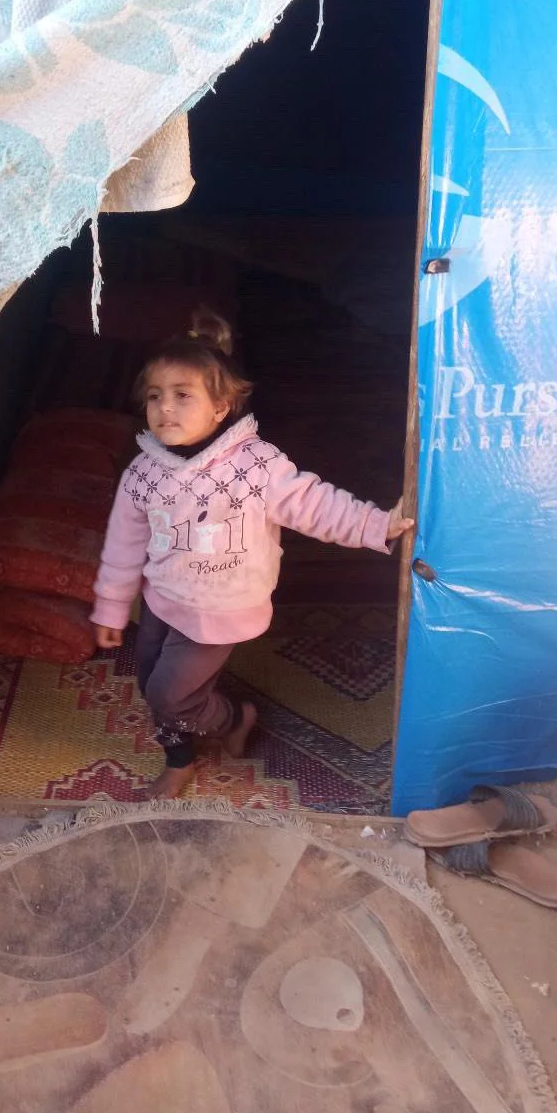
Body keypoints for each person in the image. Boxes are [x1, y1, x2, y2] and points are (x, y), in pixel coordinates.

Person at [91, 309, 414, 799]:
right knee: (152, 687)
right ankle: (179, 759)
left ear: (221, 408)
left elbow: (315, 504)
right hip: (161, 601)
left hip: (220, 609)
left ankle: (231, 717)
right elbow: (123, 543)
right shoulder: (143, 472)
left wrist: (375, 524)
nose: (165, 409)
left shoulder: (257, 466)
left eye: (183, 396)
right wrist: (113, 606)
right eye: (155, 397)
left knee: (168, 693)